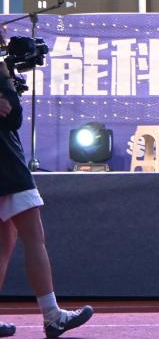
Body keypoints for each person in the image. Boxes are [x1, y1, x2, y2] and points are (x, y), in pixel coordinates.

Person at [0, 61, 93, 338]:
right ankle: (52, 316)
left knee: (4, 243)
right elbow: (13, 117)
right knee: (33, 237)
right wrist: (6, 77)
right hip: (7, 165)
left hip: (6, 161)